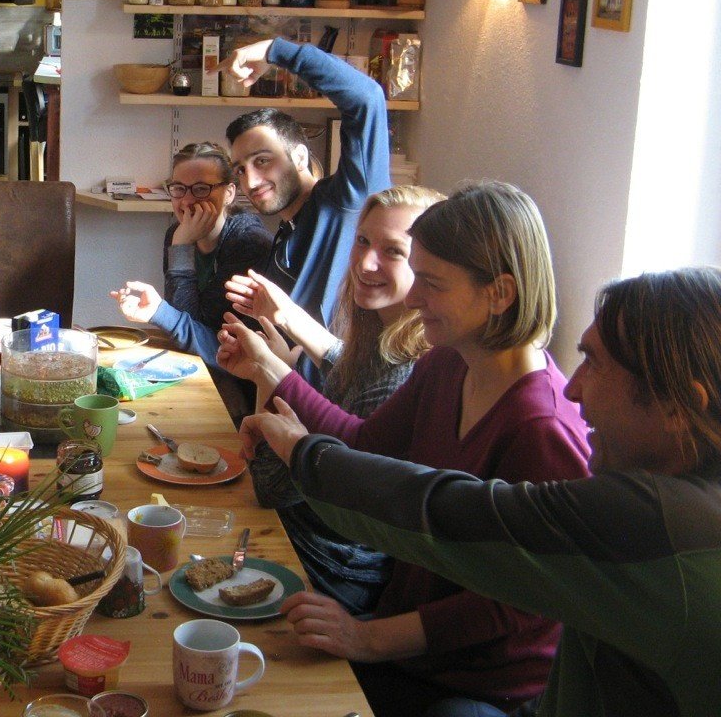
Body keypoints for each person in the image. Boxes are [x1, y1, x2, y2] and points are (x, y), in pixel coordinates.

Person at [244, 266, 721, 717]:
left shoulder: (657, 522)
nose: (573, 390)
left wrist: (304, 450)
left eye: (594, 364)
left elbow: (447, 512)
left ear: (681, 406)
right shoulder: (683, 503)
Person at [219, 181, 591, 717]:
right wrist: (287, 421)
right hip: (405, 647)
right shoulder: (448, 364)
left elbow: (513, 605)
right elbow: (364, 445)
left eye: (433, 283)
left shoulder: (543, 428)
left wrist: (369, 639)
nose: (414, 297)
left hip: (471, 686)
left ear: (500, 293)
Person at [235, 183, 443, 615]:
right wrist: (280, 332)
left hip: (334, 572)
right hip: (319, 546)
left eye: (394, 251)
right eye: (363, 241)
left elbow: (272, 487)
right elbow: (343, 359)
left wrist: (267, 373)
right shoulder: (382, 342)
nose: (366, 262)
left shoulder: (401, 376)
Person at [221, 38, 390, 387]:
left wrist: (275, 50)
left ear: (299, 157)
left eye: (262, 161)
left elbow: (367, 99)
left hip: (342, 413)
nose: (251, 180)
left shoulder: (346, 201)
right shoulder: (284, 236)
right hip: (295, 409)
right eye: (240, 169)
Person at [110, 141, 271, 419]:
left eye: (201, 189)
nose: (186, 201)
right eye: (179, 189)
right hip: (202, 366)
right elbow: (188, 326)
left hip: (244, 385)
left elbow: (212, 336)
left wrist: (181, 248)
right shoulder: (178, 233)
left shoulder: (248, 243)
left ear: (229, 192)